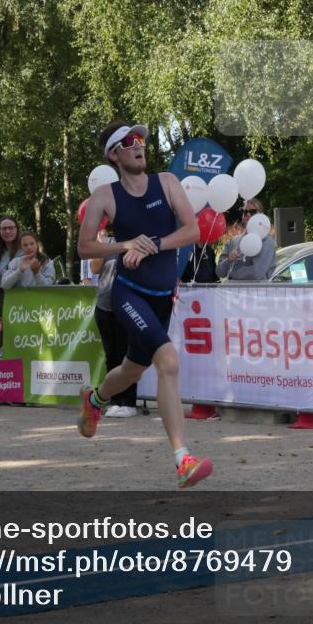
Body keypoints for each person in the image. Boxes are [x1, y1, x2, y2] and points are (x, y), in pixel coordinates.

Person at [77, 121, 213, 488]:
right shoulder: (104, 196)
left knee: (131, 370)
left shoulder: (167, 182)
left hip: (162, 297)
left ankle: (95, 399)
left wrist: (153, 244)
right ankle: (183, 460)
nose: (139, 146)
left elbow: (192, 231)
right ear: (113, 154)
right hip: (129, 294)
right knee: (168, 361)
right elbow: (84, 247)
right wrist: (125, 245)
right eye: (129, 142)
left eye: (140, 140)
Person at [92, 231, 139, 418]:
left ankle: (129, 402)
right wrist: (101, 247)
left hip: (127, 305)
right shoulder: (106, 242)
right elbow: (95, 268)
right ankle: (115, 401)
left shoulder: (138, 240)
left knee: (127, 356)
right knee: (111, 356)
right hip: (104, 306)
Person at [215, 199, 276, 282]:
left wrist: (232, 272)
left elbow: (257, 273)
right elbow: (219, 272)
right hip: (232, 289)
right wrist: (228, 261)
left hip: (256, 290)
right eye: (245, 212)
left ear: (261, 215)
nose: (248, 214)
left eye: (252, 212)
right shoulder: (233, 241)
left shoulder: (267, 241)